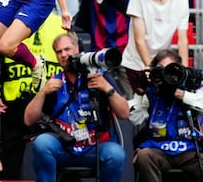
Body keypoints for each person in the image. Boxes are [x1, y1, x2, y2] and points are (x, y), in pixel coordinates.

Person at [23, 33, 129, 182]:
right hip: (64, 147)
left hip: (94, 148)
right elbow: (28, 120)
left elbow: (124, 113)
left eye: (67, 49)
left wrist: (107, 88)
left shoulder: (99, 76)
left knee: (116, 154)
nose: (64, 55)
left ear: (78, 48)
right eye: (59, 52)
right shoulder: (54, 80)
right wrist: (43, 92)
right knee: (42, 143)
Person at [0, 12, 65, 180]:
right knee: (57, 155)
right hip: (39, 101)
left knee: (13, 160)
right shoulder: (61, 22)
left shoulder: (9, 21)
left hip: (42, 99)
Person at [130, 50, 203, 182]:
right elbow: (135, 119)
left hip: (188, 151)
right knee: (143, 155)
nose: (167, 75)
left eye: (170, 69)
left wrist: (181, 94)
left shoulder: (189, 88)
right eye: (162, 70)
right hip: (158, 149)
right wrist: (140, 90)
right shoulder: (150, 92)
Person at [121, 0, 190, 93]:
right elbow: (139, 40)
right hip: (136, 64)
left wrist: (184, 70)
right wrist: (151, 68)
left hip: (161, 65)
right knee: (137, 110)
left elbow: (183, 39)